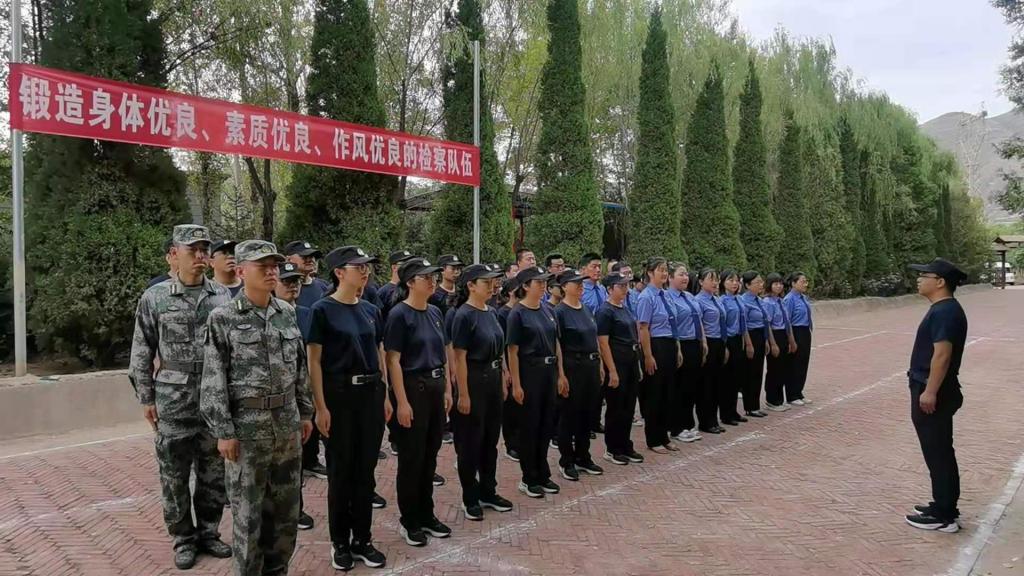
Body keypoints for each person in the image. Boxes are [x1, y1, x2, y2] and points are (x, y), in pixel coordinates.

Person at [200, 240, 314, 576]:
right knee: (248, 519)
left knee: (285, 515)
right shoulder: (223, 318)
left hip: (286, 427)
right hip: (247, 433)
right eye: (262, 266)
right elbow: (213, 378)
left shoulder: (286, 312)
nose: (271, 271)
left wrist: (305, 412)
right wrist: (223, 432)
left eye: (274, 265)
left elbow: (300, 368)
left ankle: (278, 570)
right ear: (240, 271)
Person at [128, 224, 234, 570]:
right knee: (174, 476)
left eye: (205, 250)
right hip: (173, 401)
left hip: (213, 401)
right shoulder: (155, 297)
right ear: (174, 255)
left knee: (213, 474)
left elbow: (231, 351)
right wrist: (147, 398)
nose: (201, 256)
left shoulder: (222, 296)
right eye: (193, 250)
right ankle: (183, 539)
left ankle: (209, 532)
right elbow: (141, 352)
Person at [306, 247, 392, 570]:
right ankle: (340, 542)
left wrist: (385, 395)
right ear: (339, 272)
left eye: (367, 266)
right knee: (341, 472)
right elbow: (314, 361)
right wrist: (320, 406)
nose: (365, 272)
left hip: (370, 396)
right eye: (358, 267)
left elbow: (379, 352)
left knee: (365, 472)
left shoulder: (371, 310)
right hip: (339, 397)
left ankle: (362, 539)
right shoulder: (322, 310)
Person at [385, 257, 454, 547]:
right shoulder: (399, 315)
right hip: (413, 388)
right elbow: (393, 360)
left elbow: (444, 353)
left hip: (436, 388)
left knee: (430, 454)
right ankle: (410, 519)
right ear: (410, 282)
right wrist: (401, 401)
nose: (432, 281)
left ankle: (427, 514)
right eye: (426, 277)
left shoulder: (435, 312)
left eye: (433, 276)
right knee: (412, 457)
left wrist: (448, 390)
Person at [903, 258, 968, 534]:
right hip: (933, 386)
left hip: (935, 389)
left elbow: (942, 355)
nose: (918, 279)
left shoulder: (945, 311)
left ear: (940, 282)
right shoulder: (944, 309)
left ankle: (944, 515)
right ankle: (942, 504)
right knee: (938, 450)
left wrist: (930, 391)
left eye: (924, 275)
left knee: (938, 451)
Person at [450, 264, 515, 521]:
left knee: (490, 440)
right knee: (470, 442)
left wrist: (504, 375)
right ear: (471, 285)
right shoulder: (464, 316)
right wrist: (463, 393)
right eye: (485, 282)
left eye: (493, 282)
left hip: (493, 379)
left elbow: (500, 348)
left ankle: (489, 490)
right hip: (474, 379)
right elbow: (459, 357)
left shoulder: (492, 312)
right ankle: (470, 496)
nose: (492, 286)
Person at [506, 266, 562, 498]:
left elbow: (556, 342)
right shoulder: (517, 313)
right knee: (530, 426)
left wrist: (561, 374)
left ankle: (543, 473)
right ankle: (529, 477)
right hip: (530, 371)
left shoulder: (548, 310)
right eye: (538, 282)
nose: (543, 286)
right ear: (526, 286)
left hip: (549, 371)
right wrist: (517, 384)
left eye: (544, 282)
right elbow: (512, 351)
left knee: (546, 424)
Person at [273, 262, 316, 532]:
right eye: (286, 281)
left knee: (294, 459)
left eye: (296, 281)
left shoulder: (307, 314)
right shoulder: (266, 315)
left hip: (299, 395)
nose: (292, 286)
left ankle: (295, 508)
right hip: (271, 398)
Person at [553, 269, 605, 481]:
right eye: (576, 283)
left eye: (582, 283)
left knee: (587, 413)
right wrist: (561, 374)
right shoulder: (559, 312)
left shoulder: (586, 309)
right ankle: (567, 460)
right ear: (565, 287)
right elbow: (556, 344)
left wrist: (600, 364)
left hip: (590, 366)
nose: (581, 286)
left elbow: (595, 337)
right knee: (569, 415)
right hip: (572, 366)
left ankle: (583, 456)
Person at [596, 273, 643, 465]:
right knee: (616, 407)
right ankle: (613, 448)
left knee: (628, 406)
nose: (625, 289)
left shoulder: (625, 308)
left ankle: (625, 444)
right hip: (617, 362)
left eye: (626, 286)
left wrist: (637, 364)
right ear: (609, 289)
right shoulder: (605, 311)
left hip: (631, 360)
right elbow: (603, 342)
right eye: (620, 286)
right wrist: (612, 370)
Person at [635, 258, 680, 454]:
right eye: (660, 270)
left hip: (669, 343)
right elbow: (643, 327)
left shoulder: (666, 295)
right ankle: (653, 438)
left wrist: (677, 348)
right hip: (655, 345)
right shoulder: (646, 297)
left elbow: (673, 322)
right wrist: (648, 355)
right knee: (655, 393)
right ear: (650, 273)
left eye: (666, 270)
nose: (664, 273)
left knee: (667, 393)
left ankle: (664, 435)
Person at [665, 262, 705, 444]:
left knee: (691, 386)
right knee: (678, 387)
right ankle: (676, 427)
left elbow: (699, 319)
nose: (685, 278)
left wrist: (703, 341)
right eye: (681, 274)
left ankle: (688, 424)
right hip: (680, 344)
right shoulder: (667, 297)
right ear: (670, 278)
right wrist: (678, 346)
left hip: (695, 343)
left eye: (686, 274)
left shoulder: (689, 296)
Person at [739, 271, 778, 418]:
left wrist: (767, 340)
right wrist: (749, 344)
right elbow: (743, 325)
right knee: (750, 372)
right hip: (751, 336)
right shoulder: (744, 301)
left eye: (761, 282)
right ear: (747, 285)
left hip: (761, 336)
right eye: (757, 282)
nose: (761, 285)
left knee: (758, 372)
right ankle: (750, 407)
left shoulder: (760, 301)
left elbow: (765, 322)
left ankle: (755, 405)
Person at [695, 269, 728, 435]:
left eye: (717, 280)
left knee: (717, 383)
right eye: (711, 279)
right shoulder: (698, 301)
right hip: (708, 342)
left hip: (719, 342)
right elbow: (699, 324)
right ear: (701, 282)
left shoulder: (717, 299)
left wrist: (725, 345)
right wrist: (704, 345)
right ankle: (705, 421)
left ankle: (714, 419)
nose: (715, 283)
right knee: (706, 385)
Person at [719, 270, 752, 425]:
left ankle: (733, 411)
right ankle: (726, 414)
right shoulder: (722, 300)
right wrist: (725, 346)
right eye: (730, 280)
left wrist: (748, 342)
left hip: (739, 340)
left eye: (736, 280)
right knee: (726, 378)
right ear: (723, 282)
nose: (734, 283)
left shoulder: (739, 299)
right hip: (728, 340)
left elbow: (743, 323)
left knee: (737, 377)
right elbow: (722, 324)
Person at [763, 273, 796, 411]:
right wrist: (773, 344)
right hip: (774, 335)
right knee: (774, 369)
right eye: (775, 283)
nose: (779, 286)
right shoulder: (767, 302)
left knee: (782, 368)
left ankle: (779, 399)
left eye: (781, 283)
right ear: (769, 285)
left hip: (783, 335)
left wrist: (791, 340)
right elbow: (768, 324)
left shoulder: (781, 301)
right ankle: (772, 399)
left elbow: (787, 322)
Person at [497, 277, 522, 462]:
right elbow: (503, 345)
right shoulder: (503, 314)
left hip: (524, 363)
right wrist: (506, 370)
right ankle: (511, 443)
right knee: (511, 407)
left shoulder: (523, 311)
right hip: (509, 361)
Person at [783, 272, 814, 406]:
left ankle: (799, 392)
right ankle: (791, 395)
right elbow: (787, 320)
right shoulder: (789, 299)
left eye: (806, 281)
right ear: (793, 283)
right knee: (794, 364)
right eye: (802, 281)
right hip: (795, 331)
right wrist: (790, 339)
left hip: (805, 331)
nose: (805, 284)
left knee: (803, 362)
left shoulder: (803, 298)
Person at [285, 240, 331, 310]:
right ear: (288, 259)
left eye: (312, 256)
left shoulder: (324, 286)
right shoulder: (282, 288)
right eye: (304, 256)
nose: (310, 259)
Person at [378, 250, 414, 319]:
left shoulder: (413, 289)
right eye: (404, 264)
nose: (408, 267)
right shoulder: (383, 292)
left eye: (410, 264)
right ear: (394, 267)